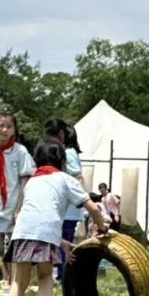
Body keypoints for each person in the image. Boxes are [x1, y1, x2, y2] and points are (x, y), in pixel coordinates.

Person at [1, 140, 108, 296]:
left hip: (22, 231)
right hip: (46, 233)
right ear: (62, 160)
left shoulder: (32, 181)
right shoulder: (66, 179)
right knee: (45, 275)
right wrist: (102, 228)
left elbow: (35, 215)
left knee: (18, 282)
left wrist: (59, 241)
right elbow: (93, 208)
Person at [0, 111, 35, 296]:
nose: (4, 129)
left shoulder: (20, 152)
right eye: (1, 125)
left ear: (14, 130)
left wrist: (20, 208)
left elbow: (25, 180)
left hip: (10, 207)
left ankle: (12, 285)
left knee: (11, 248)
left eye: (9, 126)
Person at [44, 119, 86, 281]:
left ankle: (63, 275)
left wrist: (77, 200)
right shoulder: (65, 152)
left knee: (64, 241)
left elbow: (78, 177)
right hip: (66, 207)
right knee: (62, 240)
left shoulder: (68, 153)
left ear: (60, 135)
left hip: (69, 209)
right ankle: (62, 274)